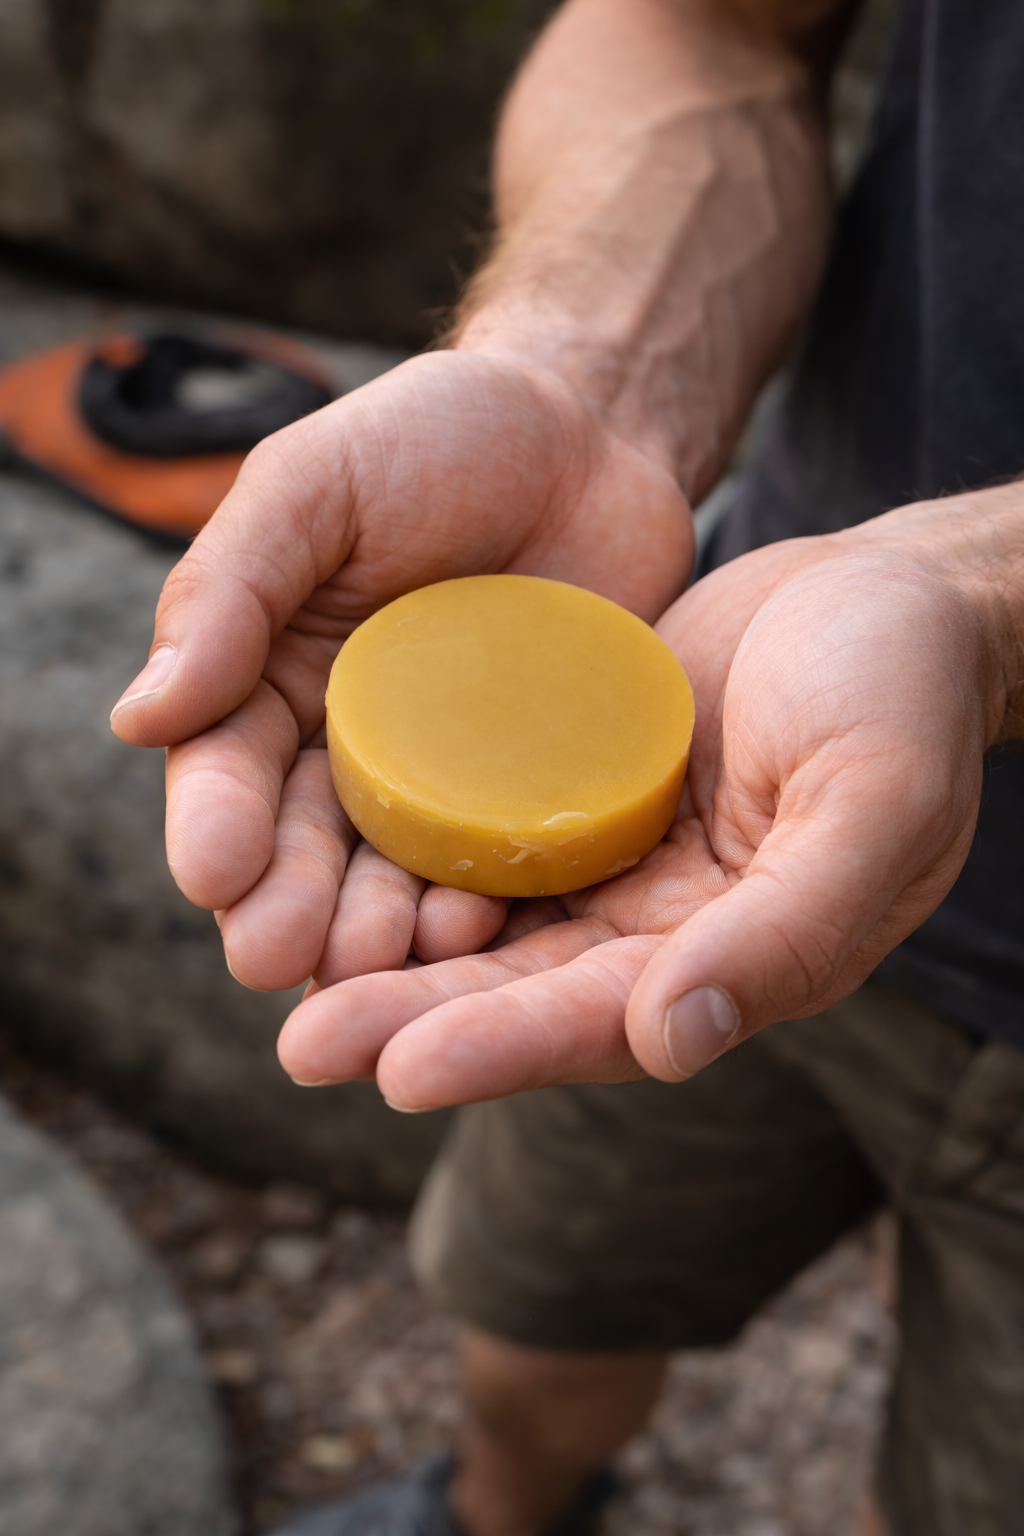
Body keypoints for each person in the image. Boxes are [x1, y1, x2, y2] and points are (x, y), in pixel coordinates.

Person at [111, 0, 1024, 1532]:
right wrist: (581, 376)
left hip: (758, 732)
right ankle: (494, 1514)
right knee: (534, 1326)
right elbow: (703, 31)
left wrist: (978, 605)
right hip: (723, 759)